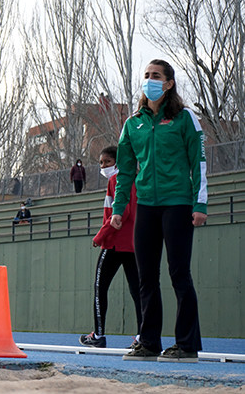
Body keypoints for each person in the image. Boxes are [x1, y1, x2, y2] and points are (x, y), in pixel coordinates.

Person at [117, 59, 207, 363]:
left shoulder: (184, 119)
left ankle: (187, 345)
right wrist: (119, 209)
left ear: (168, 83)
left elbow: (199, 164)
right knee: (146, 277)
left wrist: (200, 204)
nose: (149, 80)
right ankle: (150, 342)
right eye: (146, 76)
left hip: (178, 204)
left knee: (179, 274)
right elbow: (125, 171)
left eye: (156, 76)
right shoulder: (133, 123)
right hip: (146, 207)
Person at [79, 146, 141, 349]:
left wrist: (100, 236)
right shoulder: (135, 179)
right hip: (133, 244)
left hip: (114, 243)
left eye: (107, 161)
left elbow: (121, 214)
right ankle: (142, 336)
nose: (104, 166)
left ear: (118, 161)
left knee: (100, 288)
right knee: (137, 291)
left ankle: (98, 334)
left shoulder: (117, 181)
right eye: (101, 163)